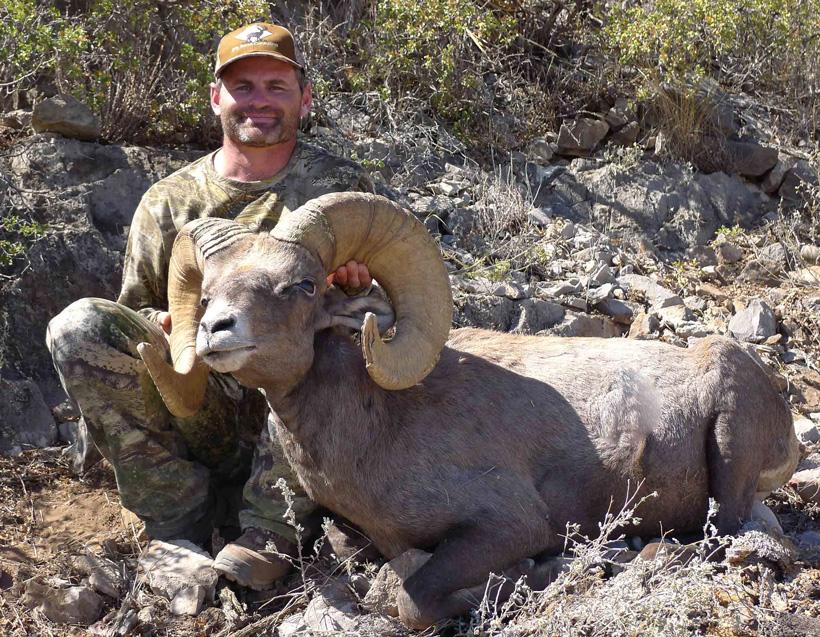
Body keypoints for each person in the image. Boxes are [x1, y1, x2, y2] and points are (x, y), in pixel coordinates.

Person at [46, 22, 375, 590]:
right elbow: (135, 317)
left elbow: (382, 313)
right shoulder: (169, 201)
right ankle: (178, 520)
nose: (260, 101)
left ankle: (275, 526)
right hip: (206, 393)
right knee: (80, 327)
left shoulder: (338, 190)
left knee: (337, 337)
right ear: (217, 97)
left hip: (305, 407)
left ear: (305, 96)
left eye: (277, 84)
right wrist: (164, 323)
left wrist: (355, 285)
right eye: (243, 86)